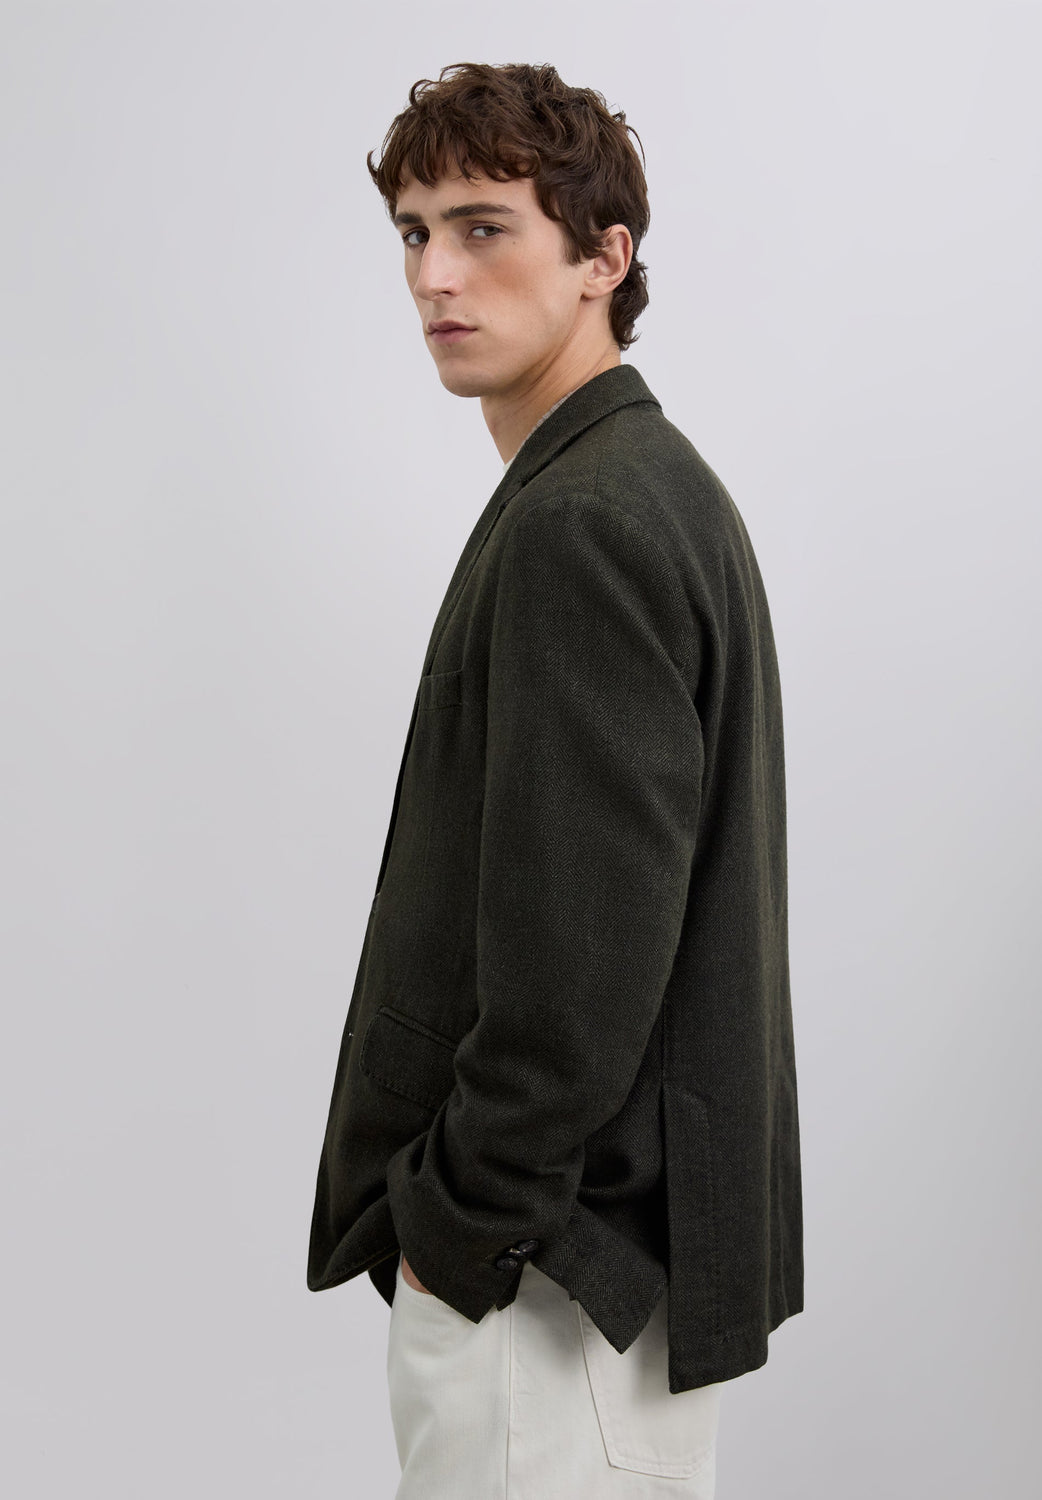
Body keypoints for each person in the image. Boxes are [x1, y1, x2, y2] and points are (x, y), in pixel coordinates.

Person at [307, 61, 804, 1498]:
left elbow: (578, 980)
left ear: (604, 258)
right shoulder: (630, 484)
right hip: (577, 1284)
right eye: (413, 233)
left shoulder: (585, 521)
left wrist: (455, 1235)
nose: (433, 275)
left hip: (547, 1298)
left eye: (484, 227)